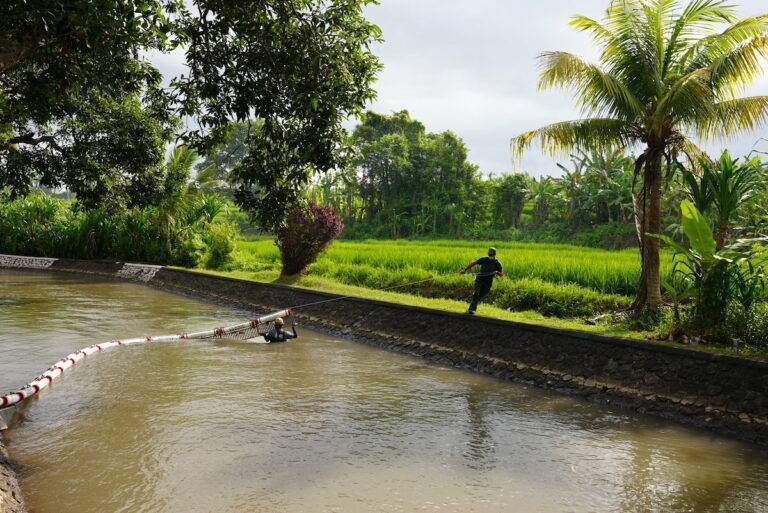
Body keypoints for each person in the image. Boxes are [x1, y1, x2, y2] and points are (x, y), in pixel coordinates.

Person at [460, 247, 504, 315]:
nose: (490, 256)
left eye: (491, 255)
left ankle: (473, 306)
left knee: (483, 294)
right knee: (476, 293)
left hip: (488, 281)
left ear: (494, 255)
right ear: (488, 254)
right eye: (489, 254)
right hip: (480, 278)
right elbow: (474, 263)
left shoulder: (497, 263)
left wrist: (497, 272)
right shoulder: (484, 259)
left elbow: (501, 274)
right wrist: (465, 270)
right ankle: (471, 310)